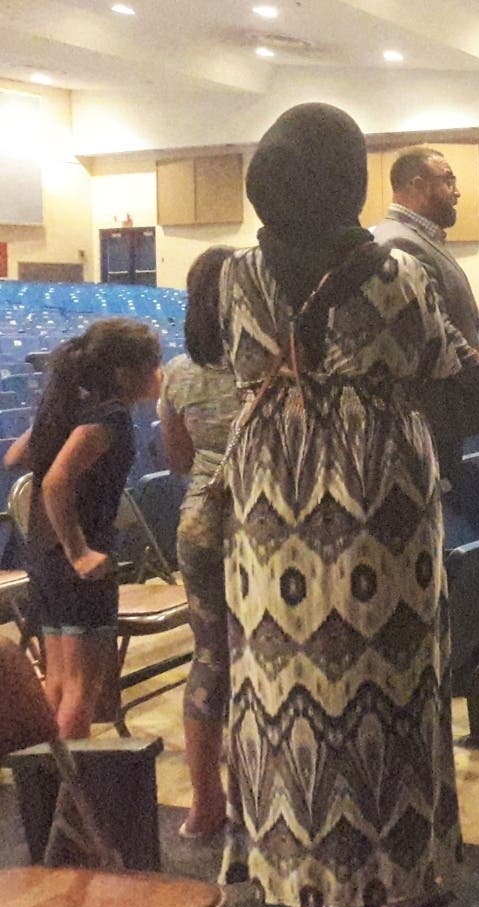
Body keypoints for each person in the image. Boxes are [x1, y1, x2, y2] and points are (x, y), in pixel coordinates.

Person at [220, 103, 479, 907]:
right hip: (376, 495)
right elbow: (445, 367)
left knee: (282, 682)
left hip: (271, 496)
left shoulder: (238, 274)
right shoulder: (397, 275)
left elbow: (234, 359)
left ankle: (297, 874)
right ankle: (390, 880)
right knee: (388, 683)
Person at [4, 319, 162, 739]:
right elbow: (56, 481)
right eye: (153, 364)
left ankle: (51, 774)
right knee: (81, 688)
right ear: (125, 373)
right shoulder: (110, 417)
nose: (159, 373)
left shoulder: (71, 409)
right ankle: (72, 779)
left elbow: (15, 458)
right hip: (78, 565)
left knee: (58, 681)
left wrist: (54, 431)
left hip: (43, 558)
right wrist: (79, 552)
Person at [157, 245, 241, 839]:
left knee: (210, 658)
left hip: (200, 527)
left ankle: (204, 804)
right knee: (264, 659)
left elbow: (179, 459)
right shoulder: (266, 367)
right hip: (261, 527)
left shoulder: (177, 372)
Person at [371, 146, 479, 470]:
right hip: (429, 417)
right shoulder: (400, 242)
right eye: (448, 180)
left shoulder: (420, 239)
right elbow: (435, 330)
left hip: (440, 416)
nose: (457, 192)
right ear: (418, 185)